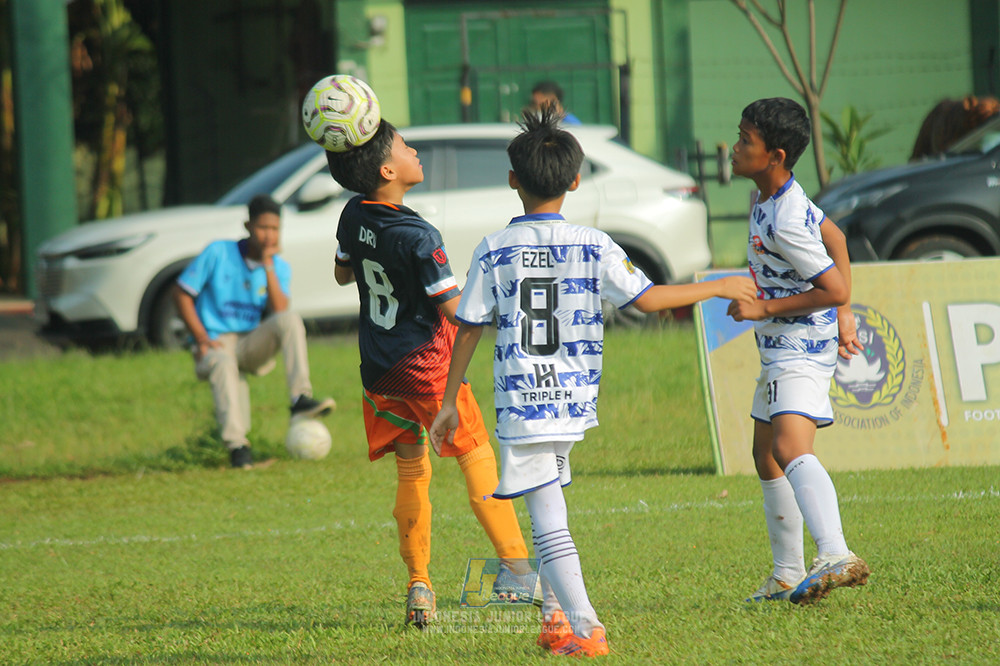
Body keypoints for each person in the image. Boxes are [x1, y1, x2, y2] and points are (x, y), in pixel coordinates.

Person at [429, 106, 757, 657]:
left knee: (547, 518)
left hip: (525, 402)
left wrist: (447, 401)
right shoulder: (594, 243)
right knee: (548, 499)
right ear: (576, 181)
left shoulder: (494, 249)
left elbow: (467, 328)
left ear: (513, 181)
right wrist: (718, 286)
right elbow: (650, 299)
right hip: (573, 400)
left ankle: (586, 628)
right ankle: (556, 620)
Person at [325, 120, 532, 629]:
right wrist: (503, 308)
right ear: (387, 169)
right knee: (475, 453)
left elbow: (342, 272)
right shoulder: (419, 235)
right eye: (404, 146)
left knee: (412, 468)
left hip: (378, 371)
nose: (415, 151)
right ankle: (518, 567)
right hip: (426, 369)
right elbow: (452, 311)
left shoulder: (353, 213)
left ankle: (419, 581)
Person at [727, 97, 870, 604]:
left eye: (746, 141)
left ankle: (835, 551)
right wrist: (846, 311)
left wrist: (765, 309)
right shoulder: (781, 196)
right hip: (782, 346)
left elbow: (830, 285)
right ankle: (787, 573)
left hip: (798, 345)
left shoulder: (783, 217)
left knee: (789, 449)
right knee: (764, 454)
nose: (735, 147)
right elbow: (837, 237)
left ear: (776, 156)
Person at [174, 194, 335, 470]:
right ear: (248, 226)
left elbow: (279, 309)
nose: (269, 235)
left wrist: (268, 264)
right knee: (224, 363)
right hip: (214, 344)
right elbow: (181, 294)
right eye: (263, 228)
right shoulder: (218, 252)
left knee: (290, 319)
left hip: (250, 344)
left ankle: (299, 398)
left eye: (275, 229)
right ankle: (238, 449)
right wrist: (200, 337)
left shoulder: (279, 267)